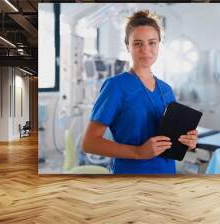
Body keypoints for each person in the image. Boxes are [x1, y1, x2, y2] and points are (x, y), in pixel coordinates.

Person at [82, 10, 198, 174]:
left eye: (152, 43)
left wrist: (188, 141)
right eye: (138, 43)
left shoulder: (166, 90)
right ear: (127, 46)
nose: (146, 50)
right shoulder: (115, 86)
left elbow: (171, 139)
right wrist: (138, 152)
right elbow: (89, 143)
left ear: (159, 44)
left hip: (166, 174)